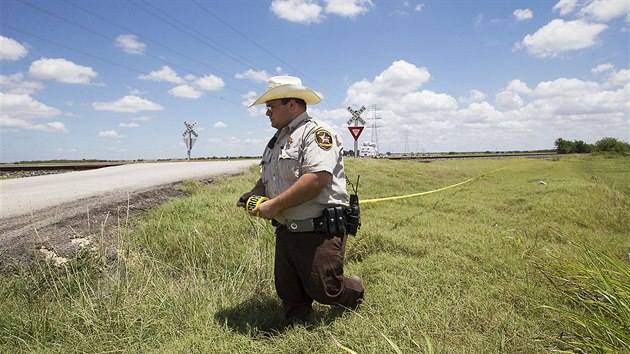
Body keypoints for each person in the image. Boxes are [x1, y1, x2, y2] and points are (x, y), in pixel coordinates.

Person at [237, 76, 364, 325]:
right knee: (289, 292)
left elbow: (317, 179)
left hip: (318, 229)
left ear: (292, 104)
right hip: (286, 229)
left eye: (271, 106)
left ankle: (355, 290)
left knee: (326, 290)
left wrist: (274, 205)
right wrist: (254, 194)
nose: (267, 112)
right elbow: (268, 179)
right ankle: (297, 329)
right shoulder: (276, 141)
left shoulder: (316, 133)